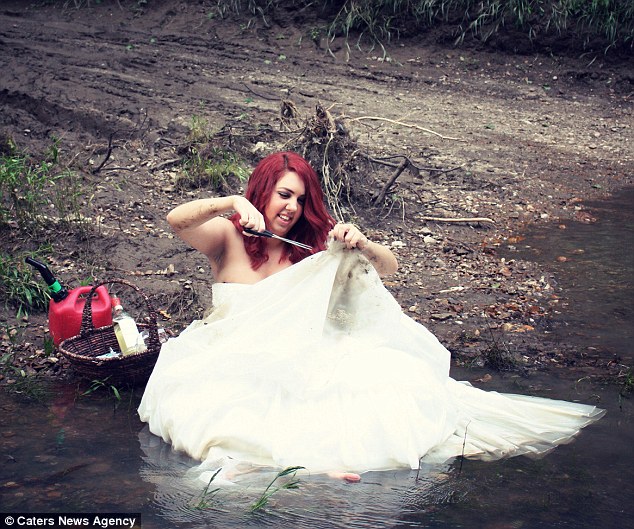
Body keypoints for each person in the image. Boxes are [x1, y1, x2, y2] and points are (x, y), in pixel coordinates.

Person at [138, 151, 604, 485]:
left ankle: (312, 471)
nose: (291, 208)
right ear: (263, 190)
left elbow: (387, 268)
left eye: (300, 200)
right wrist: (231, 203)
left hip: (295, 358)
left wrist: (361, 242)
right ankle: (287, 470)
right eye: (283, 195)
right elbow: (176, 219)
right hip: (232, 357)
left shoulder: (312, 249)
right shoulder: (227, 237)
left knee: (369, 393)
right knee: (229, 421)